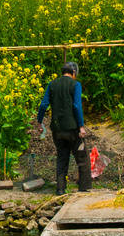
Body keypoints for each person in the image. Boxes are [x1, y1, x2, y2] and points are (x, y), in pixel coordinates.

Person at [36, 61, 91, 195]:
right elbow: (77, 106)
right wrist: (81, 126)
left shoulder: (52, 84)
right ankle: (83, 188)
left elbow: (43, 105)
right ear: (73, 73)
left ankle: (60, 189)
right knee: (82, 158)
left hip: (57, 130)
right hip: (73, 130)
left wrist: (39, 122)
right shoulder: (75, 84)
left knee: (62, 158)